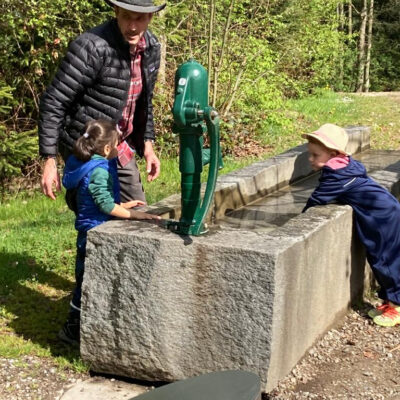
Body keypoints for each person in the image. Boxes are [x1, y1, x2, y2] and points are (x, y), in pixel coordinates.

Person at [39, 0, 166, 204]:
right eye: (126, 16)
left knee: (138, 211)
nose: (132, 26)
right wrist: (49, 159)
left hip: (119, 146)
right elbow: (54, 101)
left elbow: (144, 102)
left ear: (150, 17)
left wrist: (148, 145)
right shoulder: (91, 47)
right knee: (95, 214)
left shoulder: (151, 48)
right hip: (86, 147)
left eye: (140, 18)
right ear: (116, 11)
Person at [59, 120, 161, 345]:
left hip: (88, 225)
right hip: (93, 228)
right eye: (116, 144)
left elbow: (95, 197)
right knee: (86, 279)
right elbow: (104, 205)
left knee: (86, 275)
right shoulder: (100, 170)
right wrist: (134, 215)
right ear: (106, 149)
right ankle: (72, 327)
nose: (118, 148)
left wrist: (122, 205)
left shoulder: (83, 163)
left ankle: (87, 323)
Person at [302, 123, 400, 327]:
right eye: (310, 154)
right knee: (382, 258)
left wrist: (301, 219)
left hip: (382, 218)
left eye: (315, 155)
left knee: (385, 260)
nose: (310, 159)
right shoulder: (345, 166)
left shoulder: (335, 175)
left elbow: (317, 199)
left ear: (333, 154)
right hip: (387, 210)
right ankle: (389, 300)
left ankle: (396, 306)